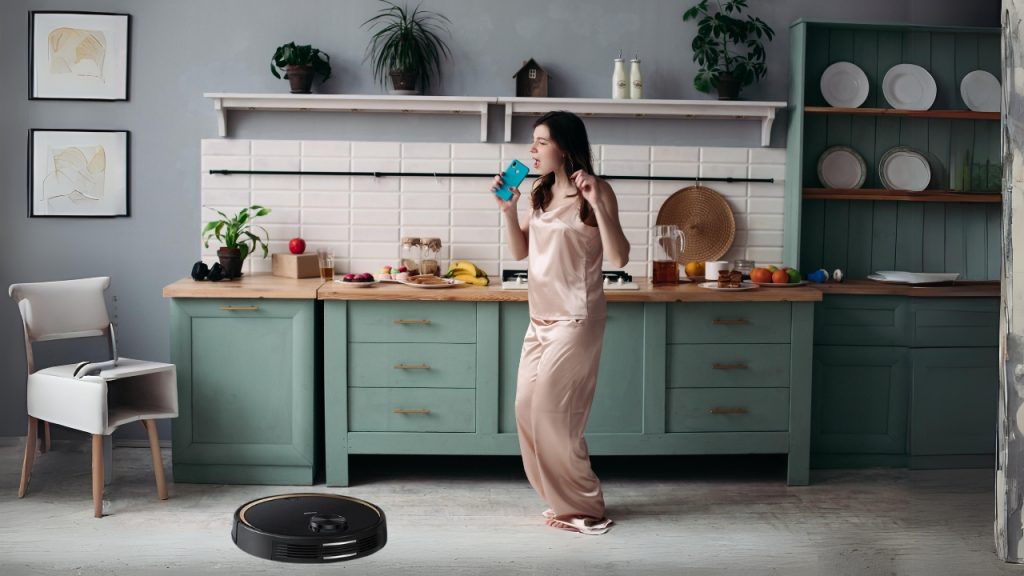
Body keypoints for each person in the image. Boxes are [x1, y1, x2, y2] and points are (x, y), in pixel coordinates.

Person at [491, 111, 630, 535]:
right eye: (532, 143)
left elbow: (620, 257)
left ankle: (586, 508)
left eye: (540, 142)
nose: (532, 151)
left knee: (554, 414)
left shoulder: (597, 190)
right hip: (540, 319)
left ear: (564, 147)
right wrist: (507, 209)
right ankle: (561, 501)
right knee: (524, 410)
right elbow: (521, 253)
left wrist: (595, 203)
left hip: (577, 317)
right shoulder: (538, 192)